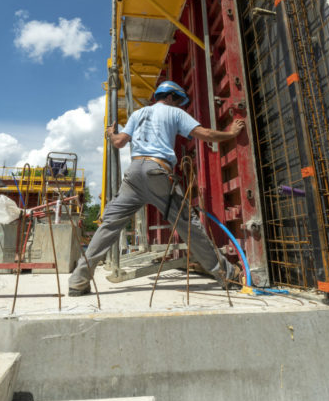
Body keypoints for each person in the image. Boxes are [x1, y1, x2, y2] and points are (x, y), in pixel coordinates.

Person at [68, 81, 245, 296]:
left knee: (108, 226)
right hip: (157, 171)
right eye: (178, 100)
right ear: (170, 97)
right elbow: (205, 134)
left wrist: (110, 134)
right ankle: (226, 275)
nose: (179, 104)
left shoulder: (138, 114)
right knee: (188, 225)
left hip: (133, 174)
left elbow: (119, 142)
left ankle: (78, 281)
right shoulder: (175, 113)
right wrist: (231, 134)